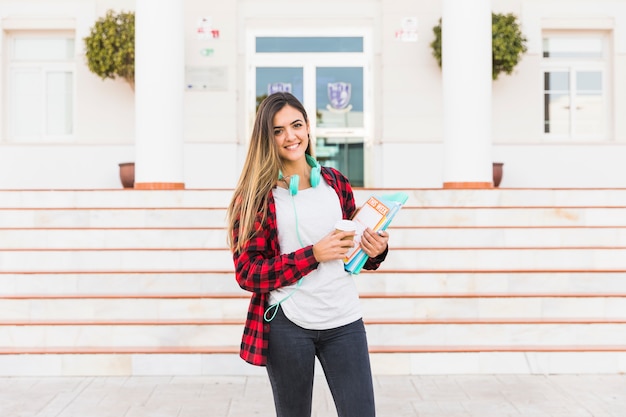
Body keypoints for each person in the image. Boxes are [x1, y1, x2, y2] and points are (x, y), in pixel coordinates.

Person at [226, 92, 389, 417]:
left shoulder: (336, 184)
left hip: (344, 320)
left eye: (296, 125)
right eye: (278, 130)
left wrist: (375, 250)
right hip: (288, 325)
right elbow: (247, 272)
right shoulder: (257, 198)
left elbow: (354, 252)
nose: (290, 136)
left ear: (308, 127)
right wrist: (312, 254)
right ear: (266, 138)